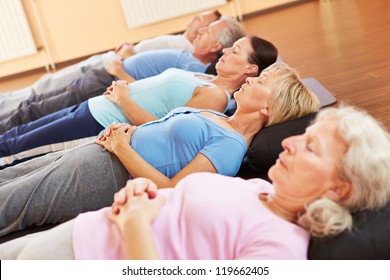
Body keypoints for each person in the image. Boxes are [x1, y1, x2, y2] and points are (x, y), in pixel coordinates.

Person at [1, 104, 389, 259]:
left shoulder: (280, 248)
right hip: (85, 229)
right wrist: (145, 196)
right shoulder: (261, 190)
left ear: (340, 188)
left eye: (310, 148)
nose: (287, 144)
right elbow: (176, 204)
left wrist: (135, 220)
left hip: (87, 258)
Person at [0, 62, 321, 238]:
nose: (251, 81)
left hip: (103, 174)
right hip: (98, 150)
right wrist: (127, 131)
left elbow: (170, 190)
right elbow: (161, 134)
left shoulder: (231, 148)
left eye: (261, 82)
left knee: (9, 204)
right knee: (8, 177)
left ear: (269, 107)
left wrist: (123, 147)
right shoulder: (218, 116)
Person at [0, 36, 278, 169]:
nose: (227, 50)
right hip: (95, 106)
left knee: (16, 149)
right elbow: (158, 95)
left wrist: (123, 98)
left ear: (250, 69)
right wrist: (124, 86)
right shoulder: (202, 76)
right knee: (15, 135)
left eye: (236, 51)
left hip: (100, 121)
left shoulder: (217, 97)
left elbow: (161, 128)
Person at [0, 16, 244, 133]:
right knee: (36, 103)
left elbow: (153, 94)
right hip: (105, 76)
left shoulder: (193, 71)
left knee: (36, 111)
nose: (200, 29)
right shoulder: (188, 56)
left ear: (215, 47)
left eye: (208, 30)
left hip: (107, 83)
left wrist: (119, 71)